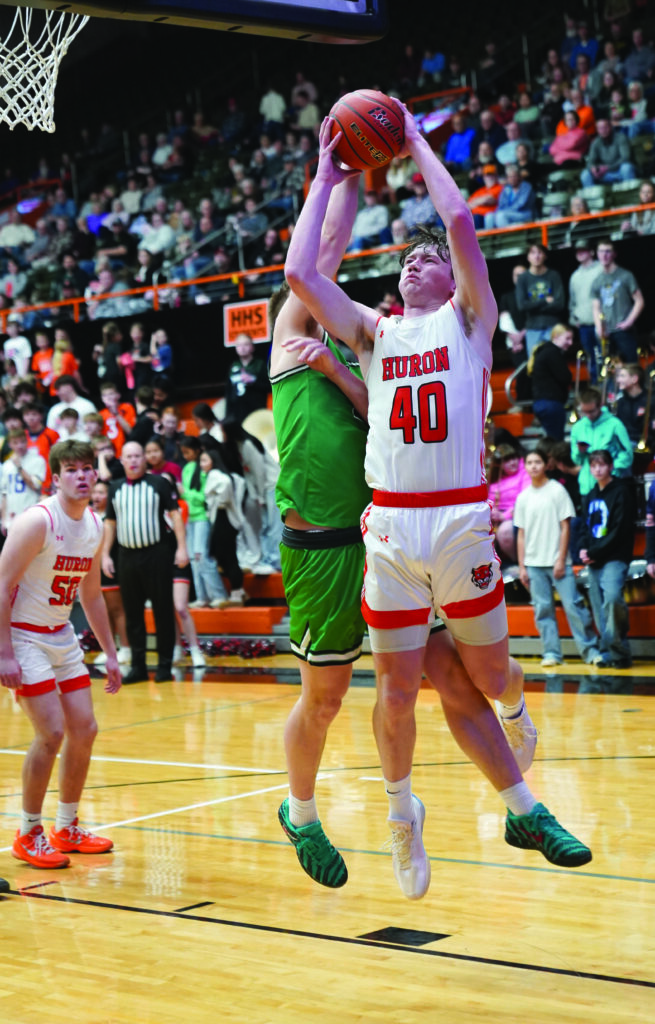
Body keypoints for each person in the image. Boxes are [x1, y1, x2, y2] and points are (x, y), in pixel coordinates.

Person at [283, 109, 592, 898]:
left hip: (459, 522)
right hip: (387, 527)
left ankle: (516, 709)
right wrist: (324, 174)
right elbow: (300, 277)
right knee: (395, 691)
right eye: (409, 260)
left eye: (431, 261)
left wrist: (414, 140)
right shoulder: (373, 333)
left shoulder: (469, 321)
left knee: (488, 673)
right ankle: (400, 814)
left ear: (455, 280)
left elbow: (456, 216)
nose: (417, 264)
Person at [0, 439, 121, 869]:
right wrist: (4, 652)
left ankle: (65, 827)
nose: (83, 475)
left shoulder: (92, 524)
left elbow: (91, 594)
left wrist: (110, 652)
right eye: (72, 469)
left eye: (87, 468)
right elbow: (1, 583)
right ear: (56, 477)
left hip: (61, 635)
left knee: (84, 729)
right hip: (24, 636)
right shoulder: (38, 521)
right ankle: (28, 831)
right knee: (51, 732)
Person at [102, 441, 188, 683]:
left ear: (144, 459)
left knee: (162, 611)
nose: (133, 461)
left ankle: (164, 666)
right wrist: (106, 554)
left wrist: (182, 547)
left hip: (157, 554)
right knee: (132, 614)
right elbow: (110, 523)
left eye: (137, 456)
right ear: (121, 460)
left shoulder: (159, 483)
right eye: (128, 456)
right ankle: (138, 667)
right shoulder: (115, 487)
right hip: (126, 557)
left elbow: (175, 515)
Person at [514, 448, 603, 668]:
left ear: (546, 465)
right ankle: (551, 652)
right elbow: (521, 535)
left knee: (573, 606)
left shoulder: (557, 491)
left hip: (557, 561)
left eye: (537, 461)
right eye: (530, 462)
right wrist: (522, 566)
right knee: (542, 609)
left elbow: (566, 527)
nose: (533, 466)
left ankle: (590, 651)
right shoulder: (523, 497)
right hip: (533, 564)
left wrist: (561, 559)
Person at [579, 449, 635, 668]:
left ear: (610, 466)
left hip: (614, 557)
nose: (598, 469)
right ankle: (607, 651)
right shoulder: (590, 494)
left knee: (612, 599)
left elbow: (620, 530)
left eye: (602, 465)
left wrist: (594, 553)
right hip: (594, 559)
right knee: (598, 605)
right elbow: (585, 527)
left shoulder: (621, 492)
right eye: (594, 466)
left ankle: (619, 651)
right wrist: (584, 548)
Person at [178, 435, 227, 608]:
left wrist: (185, 492)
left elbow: (203, 497)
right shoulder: (186, 469)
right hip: (188, 518)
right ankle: (202, 596)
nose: (185, 456)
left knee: (202, 556)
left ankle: (219, 594)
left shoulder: (205, 468)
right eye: (183, 453)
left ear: (198, 450)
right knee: (193, 558)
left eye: (188, 452)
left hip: (202, 518)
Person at [570, 388, 634, 495]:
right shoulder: (578, 427)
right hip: (588, 486)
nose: (588, 416)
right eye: (584, 412)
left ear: (600, 405)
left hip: (611, 484)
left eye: (591, 411)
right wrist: (579, 451)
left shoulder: (615, 424)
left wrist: (612, 470)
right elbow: (576, 460)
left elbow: (627, 454)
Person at [591, 238, 644, 364]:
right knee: (609, 369)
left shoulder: (625, 275)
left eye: (608, 251)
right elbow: (596, 307)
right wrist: (599, 328)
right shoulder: (597, 280)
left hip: (623, 330)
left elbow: (639, 301)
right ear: (597, 254)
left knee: (630, 366)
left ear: (614, 254)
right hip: (607, 332)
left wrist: (629, 321)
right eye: (601, 251)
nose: (604, 255)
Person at [515, 243, 566, 357]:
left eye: (539, 252)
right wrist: (545, 301)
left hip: (553, 326)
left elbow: (559, 304)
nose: (536, 256)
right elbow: (522, 305)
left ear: (545, 256)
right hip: (532, 328)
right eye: (533, 253)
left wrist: (533, 305)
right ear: (528, 257)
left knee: (555, 360)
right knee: (534, 365)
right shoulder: (523, 278)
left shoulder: (554, 275)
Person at [528, 323, 574, 441]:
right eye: (567, 338)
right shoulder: (553, 353)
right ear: (556, 336)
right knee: (556, 443)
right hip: (551, 404)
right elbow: (565, 377)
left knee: (552, 440)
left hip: (542, 403)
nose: (571, 343)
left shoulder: (544, 351)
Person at [0, 427, 47, 535]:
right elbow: (4, 494)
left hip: (31, 513)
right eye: (15, 443)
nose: (19, 445)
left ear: (27, 441)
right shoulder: (7, 465)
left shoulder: (37, 460)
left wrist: (19, 467)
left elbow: (35, 485)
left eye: (22, 441)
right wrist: (3, 520)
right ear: (10, 445)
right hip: (11, 517)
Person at [487, 444, 530, 562]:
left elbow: (524, 500)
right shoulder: (495, 477)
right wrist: (492, 510)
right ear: (499, 464)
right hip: (496, 516)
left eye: (514, 458)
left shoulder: (524, 473)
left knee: (505, 532)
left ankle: (517, 562)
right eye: (507, 460)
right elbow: (488, 498)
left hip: (516, 514)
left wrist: (504, 516)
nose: (512, 462)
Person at [568, 241, 601, 383]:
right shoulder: (575, 275)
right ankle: (595, 389)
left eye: (584, 250)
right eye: (578, 251)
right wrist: (574, 319)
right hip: (584, 325)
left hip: (601, 323)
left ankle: (609, 390)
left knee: (604, 357)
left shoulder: (600, 269)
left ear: (591, 252)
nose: (580, 253)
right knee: (590, 359)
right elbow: (572, 300)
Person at [224, 333, 271, 424]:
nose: (242, 348)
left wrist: (253, 381)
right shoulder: (233, 366)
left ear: (252, 347)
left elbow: (269, 386)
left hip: (256, 411)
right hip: (237, 414)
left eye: (246, 344)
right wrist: (228, 415)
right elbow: (228, 392)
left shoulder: (260, 364)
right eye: (239, 345)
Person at [580, 118, 636, 187]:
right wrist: (593, 168)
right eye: (600, 128)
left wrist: (608, 168)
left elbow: (625, 158)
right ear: (597, 130)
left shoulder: (621, 138)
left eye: (605, 127)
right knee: (585, 174)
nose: (603, 130)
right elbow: (590, 162)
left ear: (610, 127)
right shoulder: (595, 142)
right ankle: (593, 197)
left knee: (626, 167)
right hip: (603, 174)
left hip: (618, 171)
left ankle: (630, 194)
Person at [482, 164, 536, 229]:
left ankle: (506, 238)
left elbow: (520, 205)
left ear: (519, 176)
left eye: (514, 176)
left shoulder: (526, 186)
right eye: (509, 177)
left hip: (523, 213)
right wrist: (497, 213)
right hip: (509, 213)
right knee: (489, 216)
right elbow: (501, 205)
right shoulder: (506, 189)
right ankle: (490, 239)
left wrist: (503, 212)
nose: (512, 179)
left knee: (501, 216)